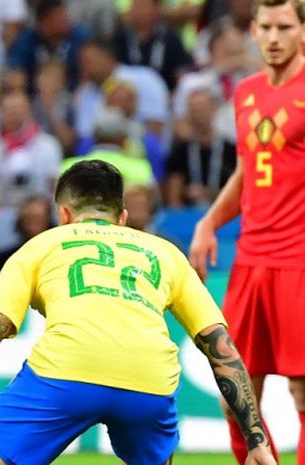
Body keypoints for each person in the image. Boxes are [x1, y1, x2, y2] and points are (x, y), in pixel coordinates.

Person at [0, 160, 276, 465]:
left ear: (63, 214)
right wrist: (256, 440)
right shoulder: (164, 252)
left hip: (64, 374)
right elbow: (220, 346)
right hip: (147, 381)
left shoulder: (40, 246)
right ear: (124, 216)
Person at [189, 1, 305, 464]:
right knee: (236, 396)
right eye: (267, 27)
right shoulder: (247, 92)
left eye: (285, 27)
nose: (274, 37)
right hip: (251, 259)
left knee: (302, 394)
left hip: (298, 259)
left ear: (303, 32)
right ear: (253, 31)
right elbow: (248, 170)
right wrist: (209, 221)